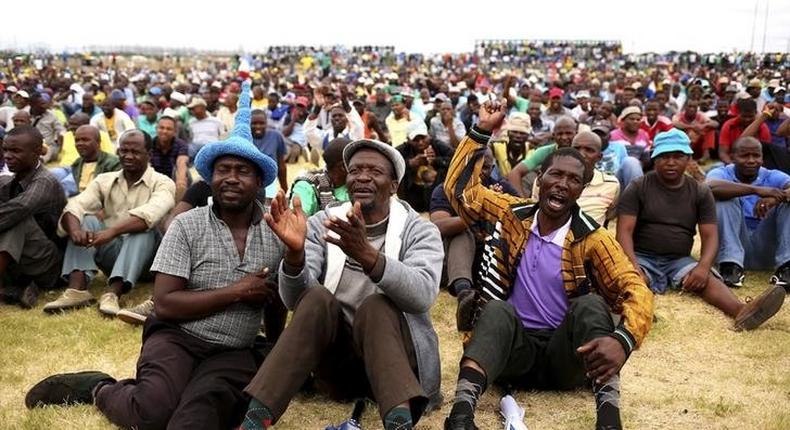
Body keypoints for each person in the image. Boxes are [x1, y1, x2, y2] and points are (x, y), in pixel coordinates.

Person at [26, 81, 286, 430]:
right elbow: (165, 304)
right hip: (176, 336)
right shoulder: (187, 226)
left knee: (194, 419)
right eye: (224, 170)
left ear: (259, 181)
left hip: (233, 350)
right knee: (151, 413)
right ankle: (99, 387)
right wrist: (238, 291)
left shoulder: (275, 230)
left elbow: (274, 302)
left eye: (243, 171)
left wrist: (272, 351)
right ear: (210, 179)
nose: (232, 179)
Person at [443, 101, 654, 430]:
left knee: (591, 305)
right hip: (511, 354)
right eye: (555, 174)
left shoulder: (594, 239)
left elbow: (636, 289)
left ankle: (609, 419)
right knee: (496, 311)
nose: (562, 183)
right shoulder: (511, 214)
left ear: (581, 190)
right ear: (539, 179)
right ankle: (460, 415)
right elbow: (460, 191)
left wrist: (623, 339)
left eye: (573, 179)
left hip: (567, 358)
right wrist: (481, 131)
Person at [239, 138, 443, 430]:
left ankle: (399, 422)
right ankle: (255, 419)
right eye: (355, 170)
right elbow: (295, 301)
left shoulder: (419, 230)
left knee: (376, 305)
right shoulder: (324, 222)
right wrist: (294, 257)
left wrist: (368, 256)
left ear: (394, 185)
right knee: (318, 297)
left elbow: (422, 295)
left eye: (374, 171)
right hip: (338, 370)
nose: (362, 177)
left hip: (398, 368)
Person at [616, 129, 784, 328]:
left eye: (678, 157)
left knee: (707, 279)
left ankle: (742, 312)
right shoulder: (638, 187)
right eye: (664, 157)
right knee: (627, 280)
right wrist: (633, 265)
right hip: (642, 256)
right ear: (654, 158)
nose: (671, 162)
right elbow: (623, 231)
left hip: (678, 260)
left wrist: (703, 267)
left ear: (689, 159)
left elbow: (710, 235)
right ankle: (633, 312)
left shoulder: (699, 191)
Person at [43, 130, 175, 316]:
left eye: (135, 152)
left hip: (148, 262)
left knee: (143, 229)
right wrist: (75, 230)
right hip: (113, 255)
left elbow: (150, 215)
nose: (128, 156)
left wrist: (111, 231)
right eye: (123, 151)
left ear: (149, 154)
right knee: (85, 219)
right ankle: (77, 290)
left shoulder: (163, 183)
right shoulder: (104, 180)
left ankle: (113, 293)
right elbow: (76, 205)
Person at [706, 137, 790, 291]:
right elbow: (709, 187)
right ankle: (731, 268)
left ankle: (786, 268)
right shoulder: (721, 173)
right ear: (732, 157)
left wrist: (774, 199)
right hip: (733, 244)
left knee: (787, 203)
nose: (751, 160)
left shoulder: (772, 175)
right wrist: (757, 190)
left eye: (756, 155)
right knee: (724, 198)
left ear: (762, 158)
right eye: (744, 156)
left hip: (766, 247)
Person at [0, 126, 67, 309]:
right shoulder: (9, 180)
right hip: (24, 262)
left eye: (15, 151)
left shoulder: (45, 180)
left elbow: (21, 207)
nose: (7, 155)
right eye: (5, 149)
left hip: (49, 265)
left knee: (17, 218)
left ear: (37, 152)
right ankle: (13, 287)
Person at [533, 131, 620, 226]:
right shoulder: (548, 179)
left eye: (589, 150)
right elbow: (534, 210)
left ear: (599, 157)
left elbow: (612, 220)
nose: (581, 154)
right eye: (576, 148)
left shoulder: (611, 185)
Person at [507, 116, 577, 196]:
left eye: (568, 133)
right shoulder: (544, 152)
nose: (564, 137)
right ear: (553, 135)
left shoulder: (582, 152)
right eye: (560, 134)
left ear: (576, 133)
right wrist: (522, 202)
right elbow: (514, 173)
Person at [396, 121, 453, 212]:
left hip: (439, 198)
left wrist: (437, 160)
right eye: (415, 140)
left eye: (423, 138)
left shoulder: (438, 145)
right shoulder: (402, 150)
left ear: (428, 136)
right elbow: (390, 166)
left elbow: (456, 161)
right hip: (412, 199)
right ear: (408, 140)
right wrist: (409, 163)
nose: (420, 142)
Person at [288, 137, 350, 217]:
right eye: (355, 163)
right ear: (343, 167)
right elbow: (296, 221)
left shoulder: (355, 184)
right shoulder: (306, 186)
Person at [69, 125, 122, 195]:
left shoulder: (113, 163)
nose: (80, 144)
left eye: (85, 140)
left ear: (98, 142)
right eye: (77, 140)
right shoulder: (76, 164)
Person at [719, 98, 771, 165]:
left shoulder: (762, 127)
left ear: (755, 113)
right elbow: (723, 153)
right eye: (744, 116)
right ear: (738, 113)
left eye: (750, 116)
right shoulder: (728, 125)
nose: (747, 119)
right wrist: (732, 166)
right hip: (733, 163)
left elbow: (765, 153)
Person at [150, 116, 190, 200]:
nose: (164, 131)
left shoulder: (181, 145)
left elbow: (182, 162)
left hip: (173, 179)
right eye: (161, 128)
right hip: (155, 179)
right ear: (156, 129)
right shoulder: (150, 144)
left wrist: (181, 183)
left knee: (184, 173)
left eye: (169, 129)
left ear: (175, 132)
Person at [250, 110, 288, 193]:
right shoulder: (244, 138)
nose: (258, 126)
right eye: (254, 123)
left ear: (266, 123)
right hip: (248, 180)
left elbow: (281, 165)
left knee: (267, 204)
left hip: (269, 181)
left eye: (261, 123)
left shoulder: (276, 136)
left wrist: (284, 188)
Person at [29, 92, 66, 163]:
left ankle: (41, 162)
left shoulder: (51, 115)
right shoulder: (26, 115)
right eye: (42, 104)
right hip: (31, 144)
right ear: (32, 105)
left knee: (50, 149)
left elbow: (61, 130)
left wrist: (61, 136)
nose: (45, 106)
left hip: (47, 144)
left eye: (45, 103)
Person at [491, 112, 531, 178]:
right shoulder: (498, 146)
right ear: (508, 133)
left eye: (522, 133)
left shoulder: (532, 151)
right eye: (514, 132)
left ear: (527, 136)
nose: (518, 136)